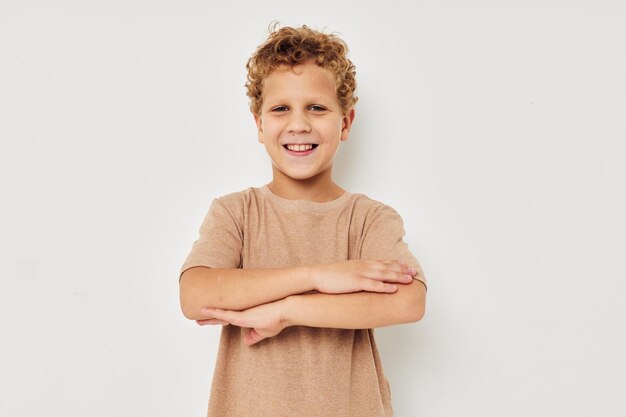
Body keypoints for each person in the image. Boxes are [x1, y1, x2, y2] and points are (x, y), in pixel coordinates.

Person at [179, 23, 428, 417]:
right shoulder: (236, 212)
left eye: (317, 107)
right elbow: (195, 295)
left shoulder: (368, 219)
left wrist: (286, 311)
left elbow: (409, 301)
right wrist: (318, 276)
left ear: (345, 122)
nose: (299, 124)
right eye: (281, 109)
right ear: (259, 124)